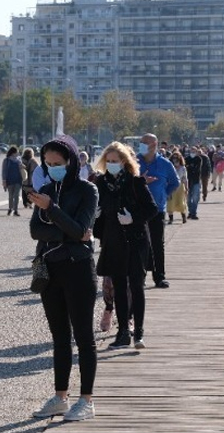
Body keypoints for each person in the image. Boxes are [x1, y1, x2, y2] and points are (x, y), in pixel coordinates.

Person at [28, 135, 99, 421]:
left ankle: (86, 400)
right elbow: (36, 231)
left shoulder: (87, 190)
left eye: (58, 163)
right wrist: (70, 233)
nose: (53, 167)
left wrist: (53, 210)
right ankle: (60, 396)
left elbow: (82, 226)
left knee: (84, 336)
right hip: (50, 269)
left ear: (71, 162)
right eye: (48, 163)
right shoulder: (45, 189)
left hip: (79, 268)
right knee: (59, 337)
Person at [93, 142, 158, 349]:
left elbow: (152, 209)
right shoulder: (101, 184)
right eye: (109, 161)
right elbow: (98, 212)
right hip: (113, 241)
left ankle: (138, 332)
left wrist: (133, 218)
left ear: (124, 162)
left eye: (116, 161)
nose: (112, 164)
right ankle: (122, 332)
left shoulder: (135, 182)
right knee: (119, 288)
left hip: (136, 240)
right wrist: (95, 218)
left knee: (137, 287)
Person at [137, 133, 179, 289]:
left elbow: (175, 182)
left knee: (157, 243)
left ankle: (159, 276)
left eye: (144, 143)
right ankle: (138, 277)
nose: (141, 145)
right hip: (138, 210)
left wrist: (163, 194)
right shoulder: (134, 162)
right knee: (139, 243)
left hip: (156, 210)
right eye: (141, 142)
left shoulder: (165, 164)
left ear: (154, 145)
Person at [167, 151, 188, 224]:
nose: (175, 160)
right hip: (171, 187)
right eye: (174, 158)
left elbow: (185, 178)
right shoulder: (169, 167)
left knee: (181, 202)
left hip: (180, 187)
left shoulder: (183, 168)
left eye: (177, 158)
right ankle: (171, 219)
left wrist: (186, 188)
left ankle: (183, 217)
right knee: (170, 203)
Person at [2, 146, 24, 216]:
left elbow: (23, 169)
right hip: (9, 180)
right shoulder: (6, 160)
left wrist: (22, 166)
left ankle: (15, 210)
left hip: (18, 180)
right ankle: (10, 208)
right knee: (10, 196)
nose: (18, 153)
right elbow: (4, 171)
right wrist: (4, 180)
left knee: (16, 195)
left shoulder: (19, 160)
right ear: (13, 153)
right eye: (17, 151)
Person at [184, 146, 202, 219]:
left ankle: (194, 213)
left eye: (194, 150)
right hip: (187, 180)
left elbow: (197, 169)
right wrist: (191, 167)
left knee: (195, 197)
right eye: (192, 150)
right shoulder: (186, 159)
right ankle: (190, 212)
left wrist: (190, 167)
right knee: (188, 198)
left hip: (196, 180)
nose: (193, 152)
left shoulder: (198, 159)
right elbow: (185, 168)